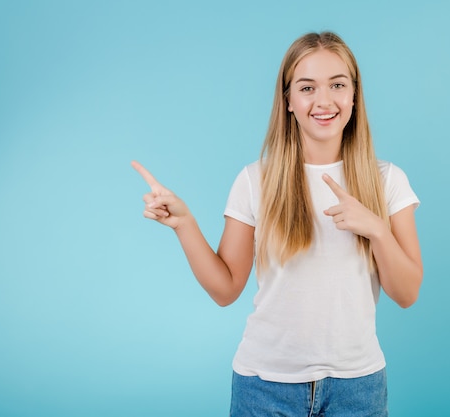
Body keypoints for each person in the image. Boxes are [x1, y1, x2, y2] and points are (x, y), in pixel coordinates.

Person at [132, 31, 422, 417]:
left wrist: (377, 230)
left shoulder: (387, 180)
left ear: (354, 95)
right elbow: (225, 289)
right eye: (307, 87)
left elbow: (406, 294)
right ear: (288, 100)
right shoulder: (256, 180)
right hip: (264, 387)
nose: (324, 100)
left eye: (338, 84)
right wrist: (185, 225)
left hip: (358, 388)